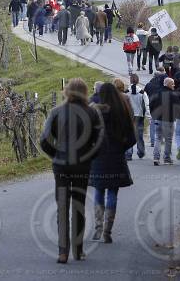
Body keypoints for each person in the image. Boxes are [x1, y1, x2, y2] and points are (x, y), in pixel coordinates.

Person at [39, 78, 103, 263]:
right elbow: (99, 140)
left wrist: (56, 155)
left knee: (62, 207)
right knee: (79, 206)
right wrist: (89, 156)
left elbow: (45, 140)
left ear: (66, 91)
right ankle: (79, 249)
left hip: (61, 165)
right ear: (84, 92)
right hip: (82, 165)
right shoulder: (92, 113)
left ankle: (62, 251)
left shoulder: (56, 112)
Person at [89, 83, 135, 243]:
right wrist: (121, 147)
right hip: (116, 156)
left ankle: (98, 227)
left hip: (98, 156)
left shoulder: (93, 110)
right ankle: (108, 230)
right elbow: (131, 136)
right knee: (113, 193)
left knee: (99, 191)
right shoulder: (121, 110)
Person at [153, 77, 178, 165]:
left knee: (158, 138)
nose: (174, 85)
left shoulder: (158, 93)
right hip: (168, 120)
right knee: (168, 140)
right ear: (168, 84)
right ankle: (167, 158)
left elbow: (152, 104)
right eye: (173, 84)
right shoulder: (173, 94)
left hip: (158, 119)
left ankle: (156, 158)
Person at [126, 73, 150, 160]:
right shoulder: (142, 93)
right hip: (139, 116)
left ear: (130, 80)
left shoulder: (126, 92)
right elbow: (147, 105)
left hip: (128, 116)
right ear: (138, 80)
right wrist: (148, 116)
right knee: (139, 135)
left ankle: (128, 153)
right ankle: (141, 151)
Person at [145, 68, 166, 147]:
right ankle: (161, 138)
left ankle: (153, 141)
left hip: (151, 105)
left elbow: (145, 95)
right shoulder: (162, 85)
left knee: (152, 123)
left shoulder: (148, 84)